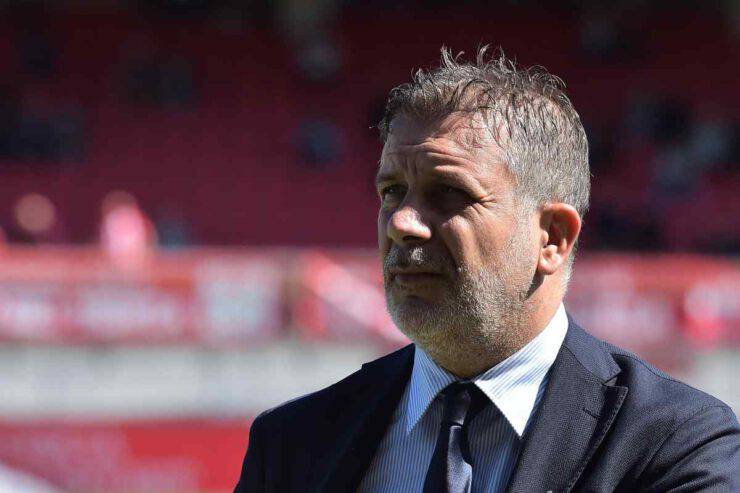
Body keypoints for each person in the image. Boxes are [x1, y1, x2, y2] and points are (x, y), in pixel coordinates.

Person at [234, 47, 739, 492]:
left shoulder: (675, 445)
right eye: (391, 192)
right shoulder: (292, 444)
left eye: (449, 194)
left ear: (552, 238)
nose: (403, 223)